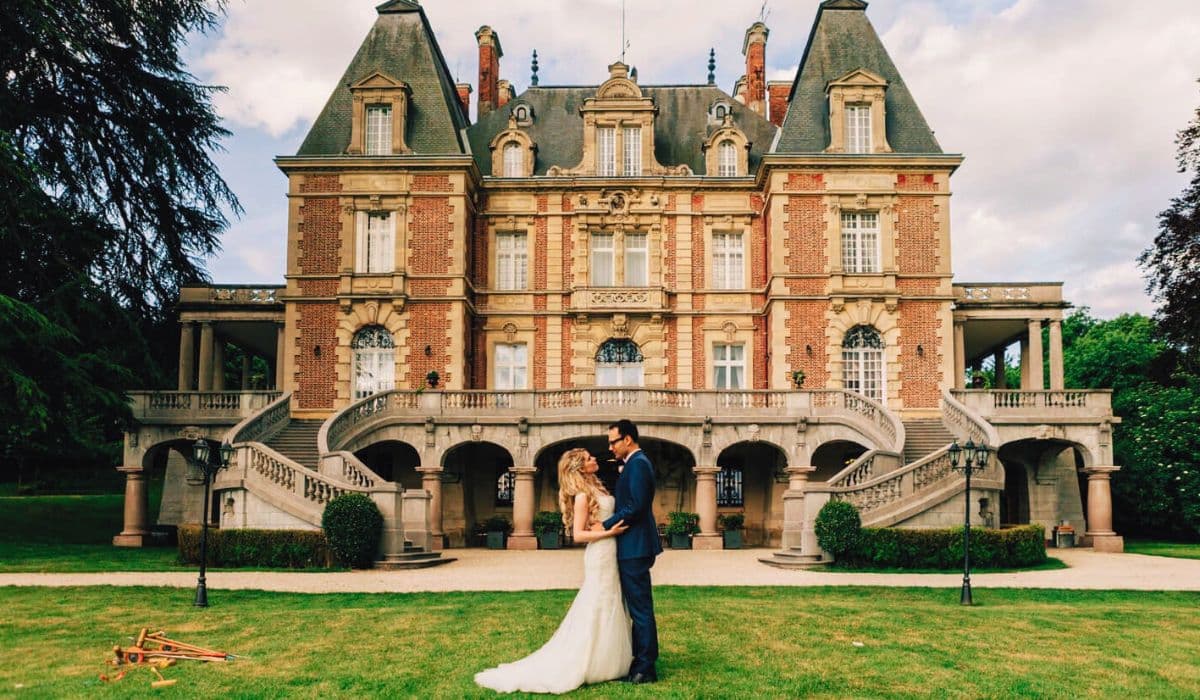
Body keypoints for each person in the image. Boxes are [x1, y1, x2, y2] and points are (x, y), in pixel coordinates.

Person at [474, 449, 630, 694]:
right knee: (598, 602)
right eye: (589, 458)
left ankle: (610, 659)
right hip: (600, 552)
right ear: (579, 467)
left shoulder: (597, 488)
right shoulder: (581, 496)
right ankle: (589, 660)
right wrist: (609, 533)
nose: (594, 460)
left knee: (611, 601)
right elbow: (578, 535)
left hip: (612, 551)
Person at [603, 419, 663, 684]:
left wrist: (602, 525)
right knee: (637, 608)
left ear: (627, 439)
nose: (610, 448)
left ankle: (645, 668)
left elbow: (636, 507)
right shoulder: (634, 464)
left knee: (640, 609)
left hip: (635, 546)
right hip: (633, 545)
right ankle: (639, 661)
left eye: (613, 442)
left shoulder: (638, 464)